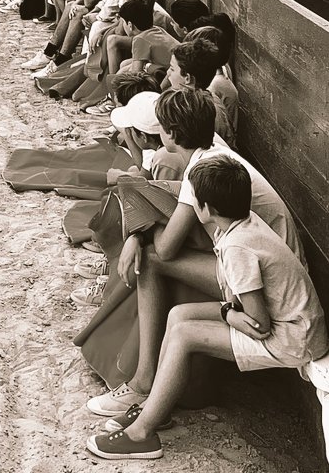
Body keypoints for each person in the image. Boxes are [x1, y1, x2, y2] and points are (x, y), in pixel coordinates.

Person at [86, 154, 327, 460]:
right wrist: (228, 312)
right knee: (178, 315)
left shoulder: (236, 246)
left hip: (292, 338)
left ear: (206, 209)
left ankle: (141, 435)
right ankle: (154, 409)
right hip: (287, 324)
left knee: (186, 335)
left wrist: (226, 313)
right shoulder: (240, 225)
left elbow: (258, 322)